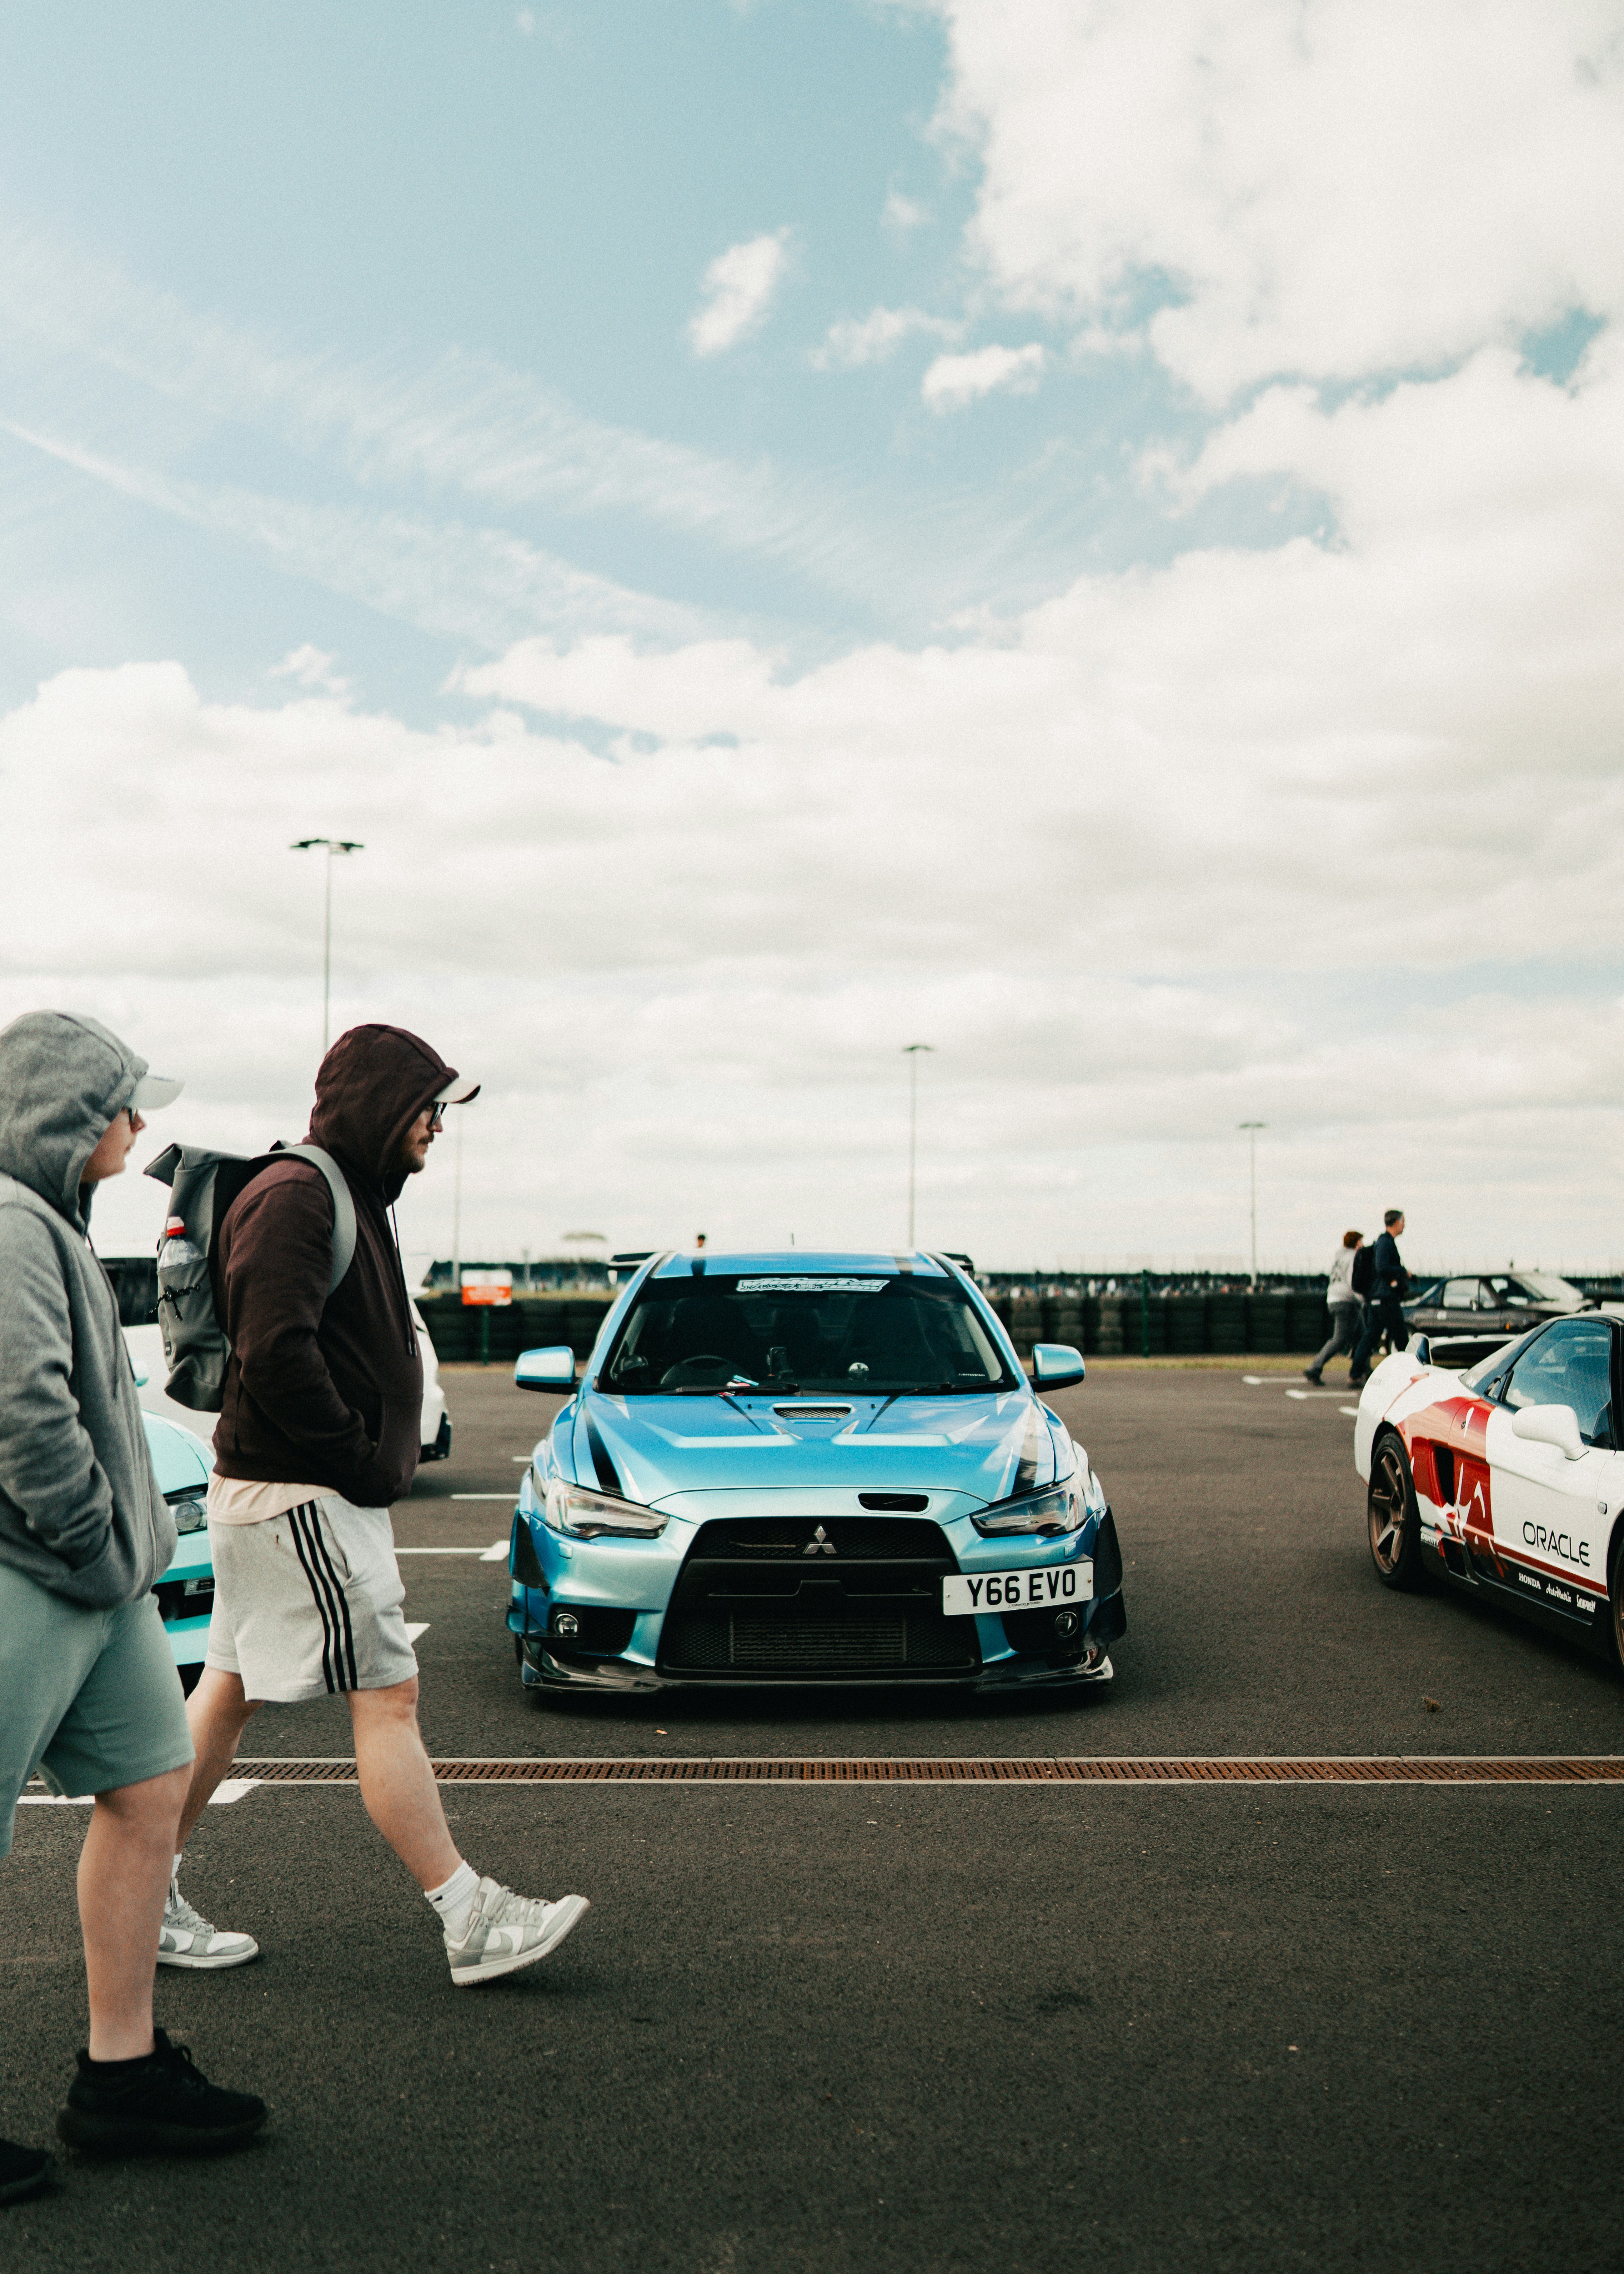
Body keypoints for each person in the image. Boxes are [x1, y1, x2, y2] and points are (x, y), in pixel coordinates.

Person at [170, 1024, 588, 1985]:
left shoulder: (345, 1192)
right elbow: (273, 1348)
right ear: (380, 1104)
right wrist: (357, 1459)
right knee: (388, 1697)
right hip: (304, 1497)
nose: (438, 1123)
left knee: (225, 1694)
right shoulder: (298, 1194)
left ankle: (141, 1887)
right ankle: (469, 1915)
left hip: (289, 1494)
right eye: (428, 1105)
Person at [0, 1012, 266, 2201]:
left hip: (96, 1581)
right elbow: (21, 1410)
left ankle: (122, 2075)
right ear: (65, 1111)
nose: (140, 1121)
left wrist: (113, 1557)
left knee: (152, 1786)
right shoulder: (12, 1223)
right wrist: (95, 1540)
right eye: (122, 1101)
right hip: (33, 1569)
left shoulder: (49, 1218)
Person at [1349, 1209, 1408, 1386]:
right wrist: (1403, 1272)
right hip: (1386, 1300)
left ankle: (1355, 1374)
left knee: (1371, 1338)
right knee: (1402, 1339)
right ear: (1396, 1222)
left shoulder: (1384, 1242)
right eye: (1403, 1221)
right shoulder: (1385, 1243)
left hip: (1378, 1300)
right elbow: (1382, 1267)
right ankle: (1408, 1377)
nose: (1405, 1225)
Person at [1303, 1230, 1365, 1384]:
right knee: (1340, 1340)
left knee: (1363, 1336)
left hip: (1334, 1299)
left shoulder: (1339, 1258)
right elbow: (1354, 1282)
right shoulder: (1353, 1258)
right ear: (1357, 1242)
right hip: (1346, 1301)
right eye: (1361, 1241)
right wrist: (1363, 1300)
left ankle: (1364, 1370)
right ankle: (1315, 1368)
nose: (1363, 1245)